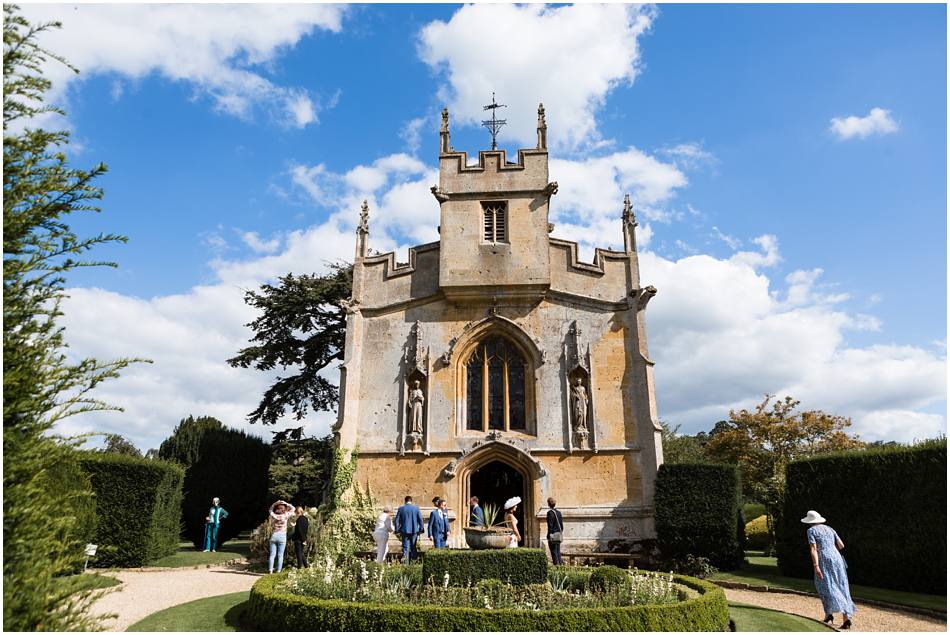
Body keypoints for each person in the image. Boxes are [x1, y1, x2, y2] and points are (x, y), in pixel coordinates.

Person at [802, 510, 855, 629]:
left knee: (825, 586)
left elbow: (813, 549)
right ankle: (843, 617)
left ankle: (830, 613)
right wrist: (831, 550)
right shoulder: (830, 528)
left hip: (824, 560)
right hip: (837, 558)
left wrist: (816, 566)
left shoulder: (811, 531)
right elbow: (841, 545)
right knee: (842, 585)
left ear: (809, 521)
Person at [268, 500, 295, 574]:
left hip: (274, 535)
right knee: (280, 555)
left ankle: (270, 570)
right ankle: (278, 571)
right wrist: (285, 503)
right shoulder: (285, 515)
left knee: (272, 555)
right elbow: (293, 508)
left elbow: (270, 509)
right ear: (284, 509)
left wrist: (275, 503)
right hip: (282, 536)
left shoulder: (274, 515)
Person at [394, 495, 424, 564]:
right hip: (414, 531)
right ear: (411, 501)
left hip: (404, 531)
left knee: (405, 548)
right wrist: (421, 529)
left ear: (405, 501)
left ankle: (406, 564)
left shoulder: (401, 509)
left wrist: (397, 530)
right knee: (413, 547)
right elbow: (420, 520)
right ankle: (414, 563)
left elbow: (397, 521)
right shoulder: (416, 508)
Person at [545, 497, 564, 565]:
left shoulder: (550, 513)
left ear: (548, 504)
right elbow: (561, 525)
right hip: (558, 534)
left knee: (553, 551)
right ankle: (560, 566)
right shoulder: (559, 513)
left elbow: (550, 526)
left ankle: (556, 566)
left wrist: (549, 535)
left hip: (553, 534)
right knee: (558, 551)